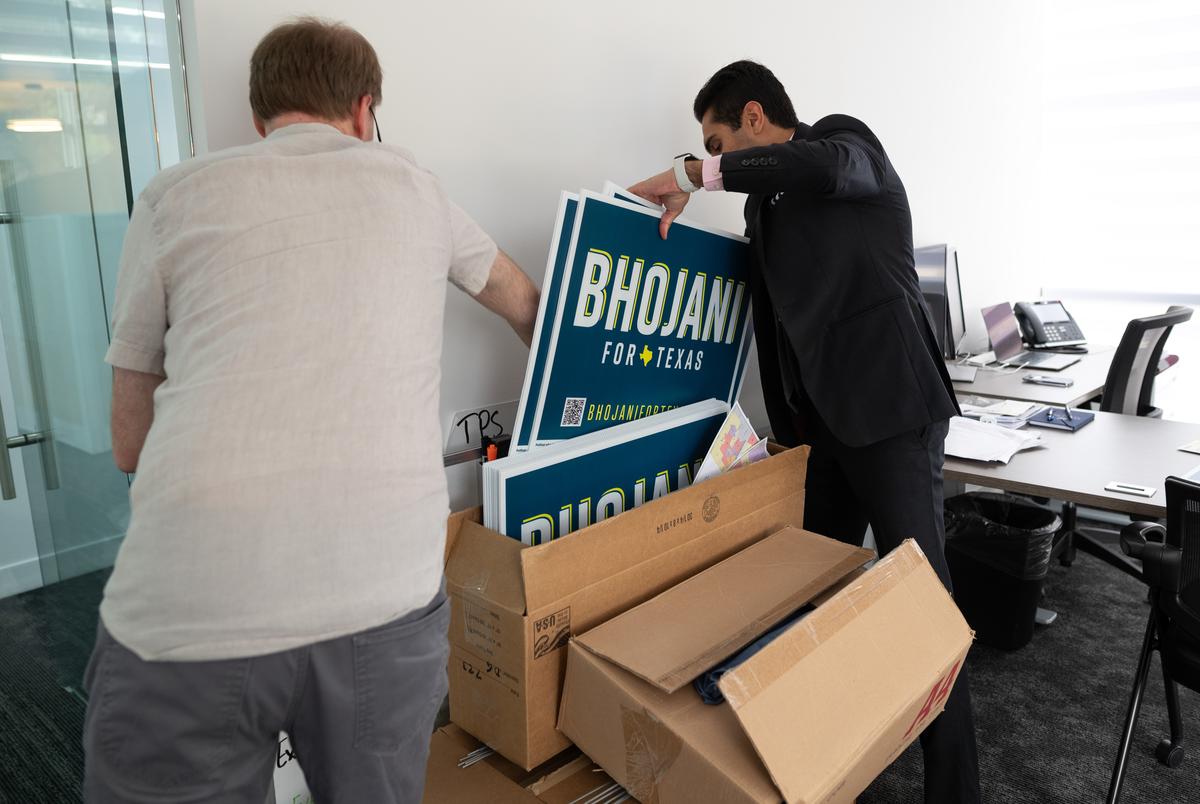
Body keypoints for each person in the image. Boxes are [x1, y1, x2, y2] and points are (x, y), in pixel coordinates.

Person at [83, 17, 539, 804]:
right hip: (382, 595)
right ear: (366, 111)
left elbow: (129, 444)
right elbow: (526, 304)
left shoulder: (173, 196)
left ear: (260, 118)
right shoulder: (416, 188)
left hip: (192, 607)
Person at [629, 60, 981, 803]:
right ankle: (824, 767)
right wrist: (785, 433)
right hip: (823, 437)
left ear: (754, 119)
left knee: (925, 609)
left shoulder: (847, 148)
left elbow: (813, 167)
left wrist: (697, 174)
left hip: (890, 416)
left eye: (718, 139)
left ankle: (957, 792)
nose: (715, 154)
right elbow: (773, 322)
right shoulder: (765, 212)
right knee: (806, 603)